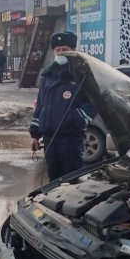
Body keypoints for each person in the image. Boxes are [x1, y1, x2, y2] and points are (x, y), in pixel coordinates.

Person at [29, 30, 96, 181]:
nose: (60, 53)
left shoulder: (82, 74)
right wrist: (35, 135)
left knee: (72, 182)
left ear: (73, 50)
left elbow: (92, 104)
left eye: (64, 49)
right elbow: (40, 105)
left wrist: (73, 118)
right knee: (54, 182)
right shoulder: (47, 75)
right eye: (57, 50)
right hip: (49, 140)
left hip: (70, 140)